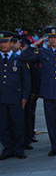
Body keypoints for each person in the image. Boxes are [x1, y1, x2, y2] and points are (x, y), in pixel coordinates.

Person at [20, 27, 56, 156]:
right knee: (51, 122)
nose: (53, 40)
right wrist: (34, 45)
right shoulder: (42, 52)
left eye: (55, 37)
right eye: (50, 37)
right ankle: (55, 146)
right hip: (49, 93)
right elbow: (24, 57)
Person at [0, 31, 30, 159]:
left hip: (16, 97)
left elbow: (26, 80)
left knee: (18, 124)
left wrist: (25, 96)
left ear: (11, 43)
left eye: (5, 42)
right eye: (0, 42)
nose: (3, 45)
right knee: (3, 125)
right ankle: (7, 149)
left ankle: (19, 149)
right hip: (1, 98)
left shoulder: (20, 60)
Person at [20, 37, 40, 151]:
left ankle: (29, 136)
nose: (21, 48)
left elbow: (36, 75)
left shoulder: (31, 58)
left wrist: (35, 91)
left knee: (29, 116)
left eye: (23, 46)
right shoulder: (17, 57)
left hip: (30, 92)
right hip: (18, 93)